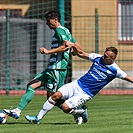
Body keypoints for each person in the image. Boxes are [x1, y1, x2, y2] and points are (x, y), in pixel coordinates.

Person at [3, 11, 83, 123]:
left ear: (55, 20)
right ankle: (17, 110)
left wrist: (48, 51)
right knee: (31, 85)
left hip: (57, 69)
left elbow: (65, 46)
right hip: (51, 68)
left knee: (53, 98)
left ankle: (78, 111)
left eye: (48, 20)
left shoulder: (60, 30)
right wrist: (74, 51)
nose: (46, 23)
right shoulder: (65, 30)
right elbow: (77, 47)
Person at [25, 43, 133, 125]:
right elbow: (81, 53)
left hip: (85, 93)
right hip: (76, 84)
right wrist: (73, 45)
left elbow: (129, 78)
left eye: (106, 56)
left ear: (113, 58)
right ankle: (37, 118)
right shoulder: (97, 57)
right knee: (55, 96)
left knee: (65, 108)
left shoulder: (115, 70)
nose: (103, 57)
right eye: (104, 54)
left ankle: (81, 111)